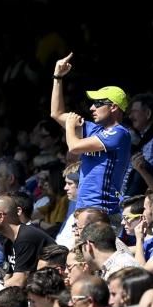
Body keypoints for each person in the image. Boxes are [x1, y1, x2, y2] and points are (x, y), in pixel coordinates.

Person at [51, 54, 131, 214]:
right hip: (85, 206)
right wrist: (57, 77)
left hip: (102, 208)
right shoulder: (94, 130)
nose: (91, 108)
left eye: (98, 103)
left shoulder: (120, 133)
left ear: (113, 107)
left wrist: (70, 126)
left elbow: (74, 147)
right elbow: (56, 114)